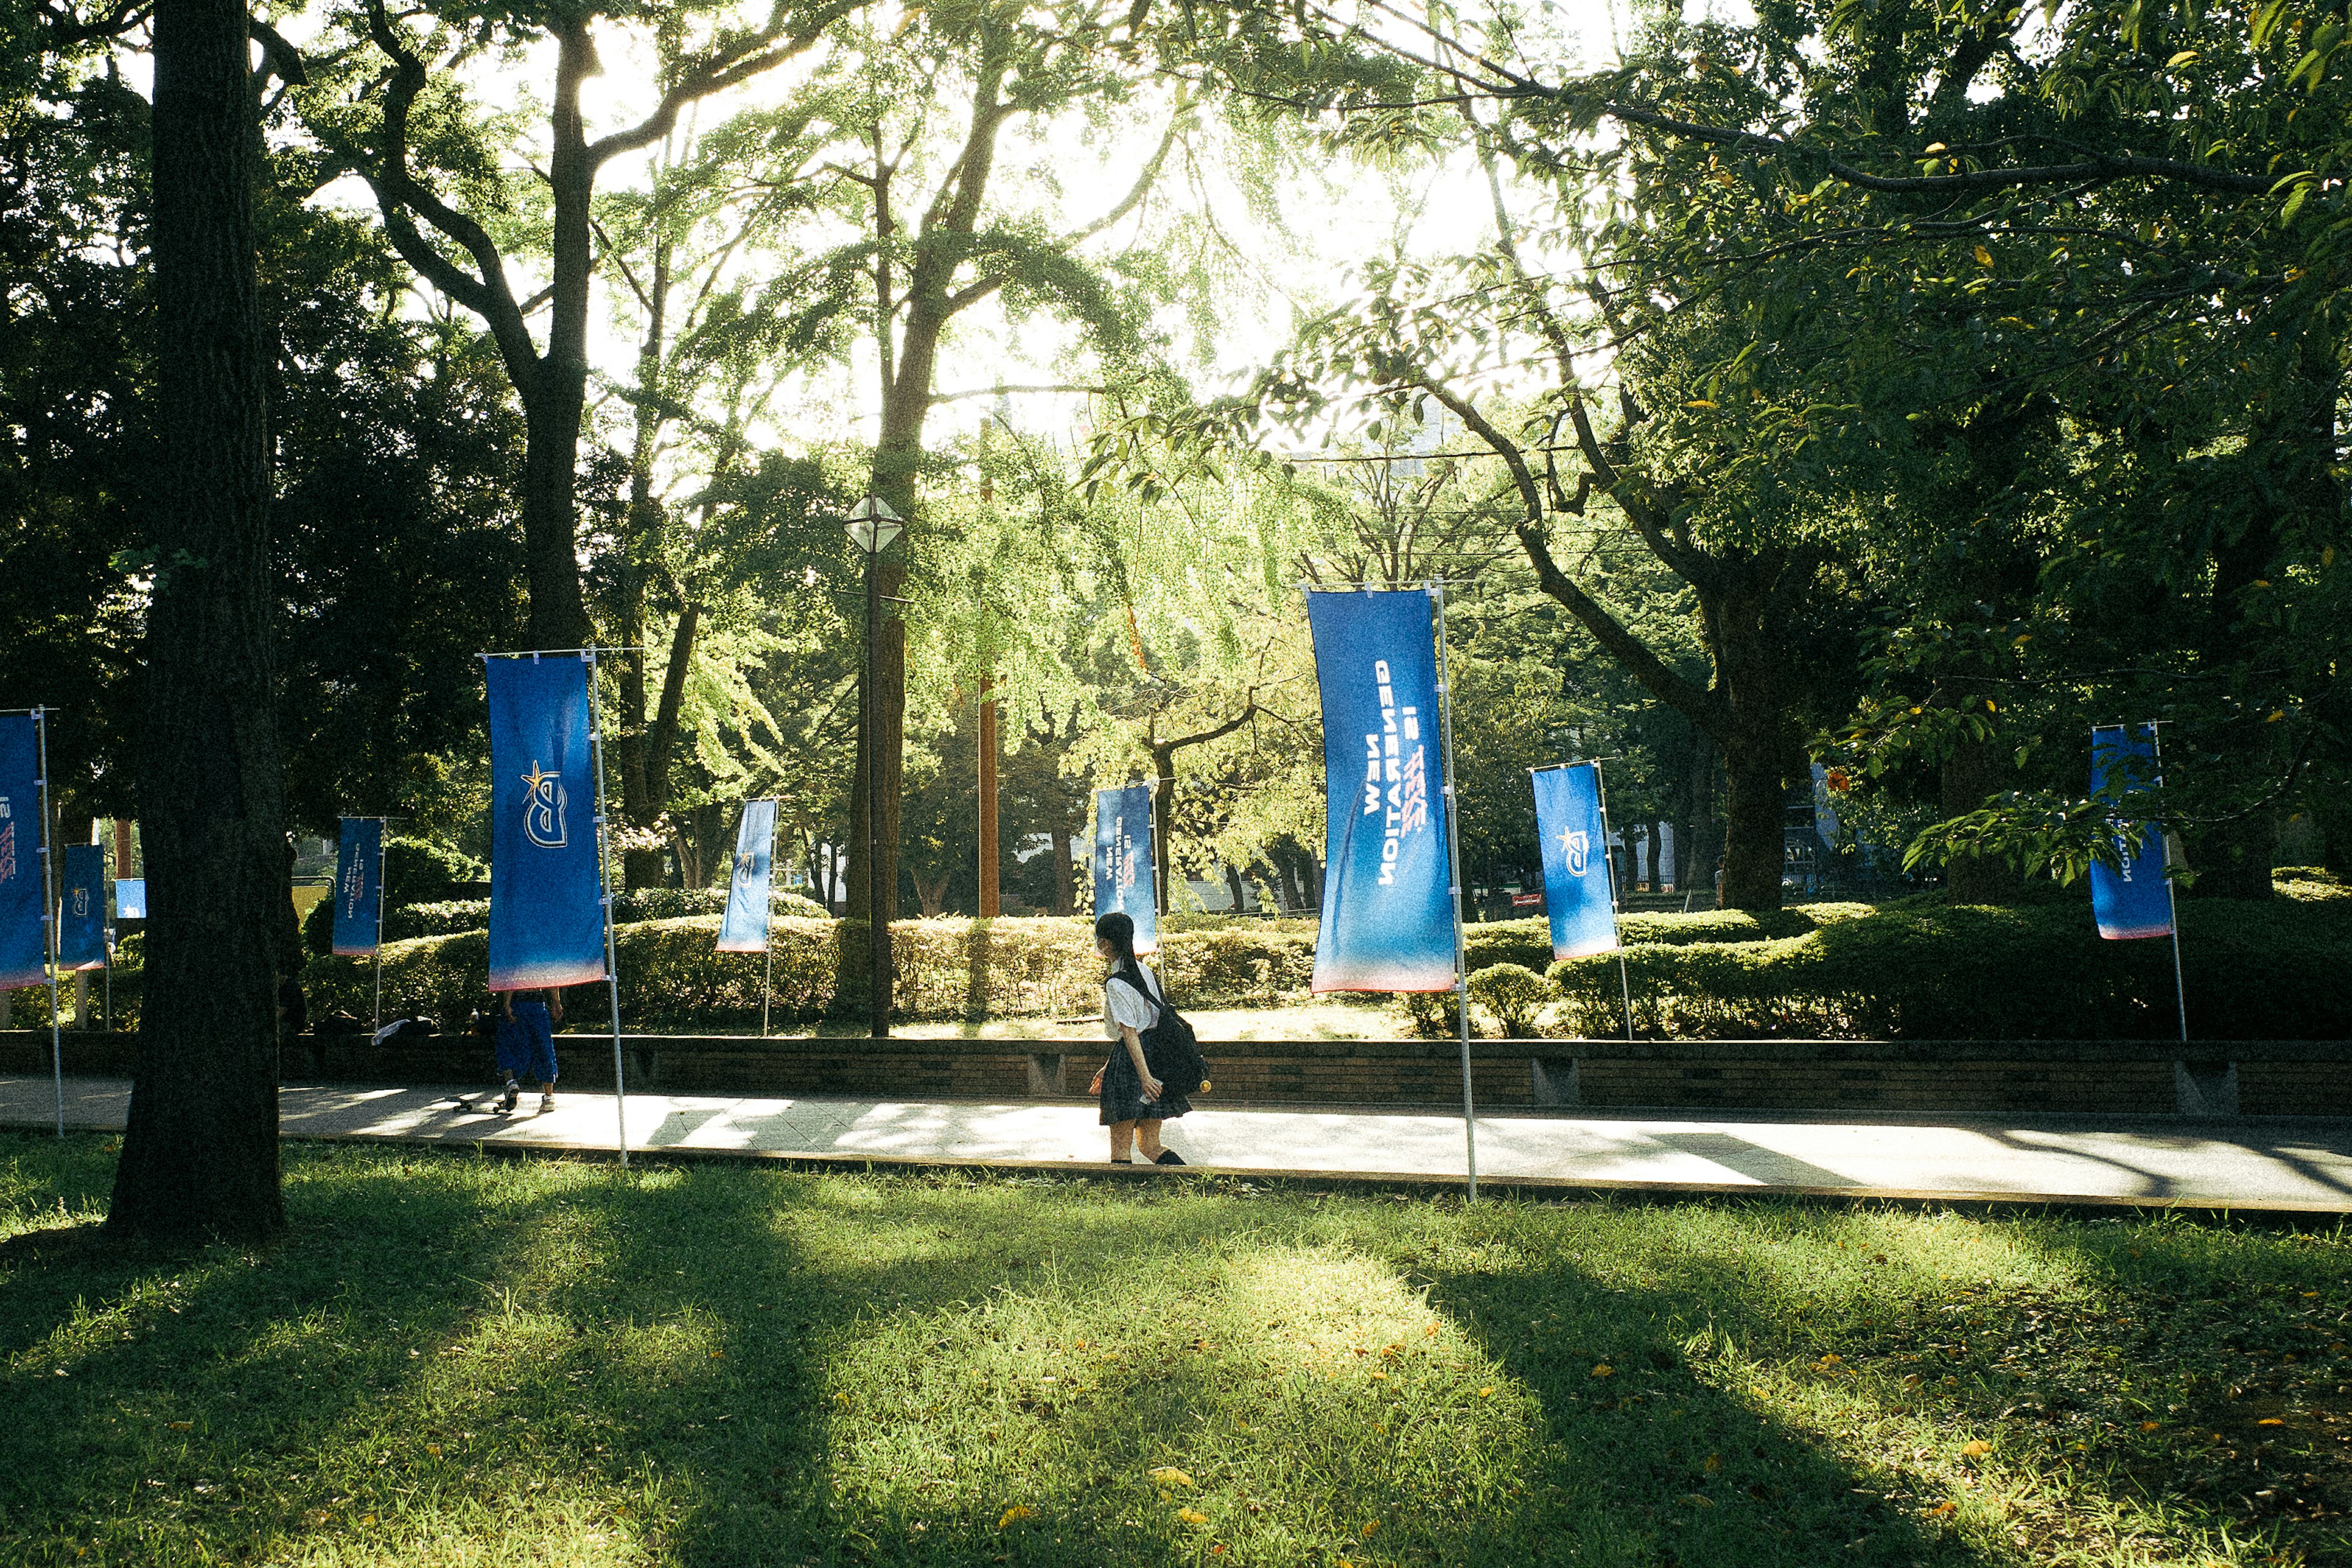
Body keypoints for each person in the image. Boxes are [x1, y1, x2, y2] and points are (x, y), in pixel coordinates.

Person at [1087, 911, 1188, 1165]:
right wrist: (1107, 1067)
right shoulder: (1145, 972)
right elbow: (1147, 1027)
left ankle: (1123, 1199)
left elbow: (1130, 1032)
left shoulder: (1116, 982)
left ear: (1105, 944)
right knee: (1150, 1144)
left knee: (1121, 1149)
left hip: (1133, 1067)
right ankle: (1191, 1184)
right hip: (1155, 1057)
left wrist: (1144, 1078)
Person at [495, 987, 563, 1114]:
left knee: (506, 1044)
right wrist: (556, 1002)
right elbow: (551, 978)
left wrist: (507, 1004)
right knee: (544, 1047)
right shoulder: (542, 965)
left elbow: (511, 978)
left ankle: (511, 1082)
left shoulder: (511, 964)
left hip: (518, 1003)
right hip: (537, 1005)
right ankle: (549, 1097)